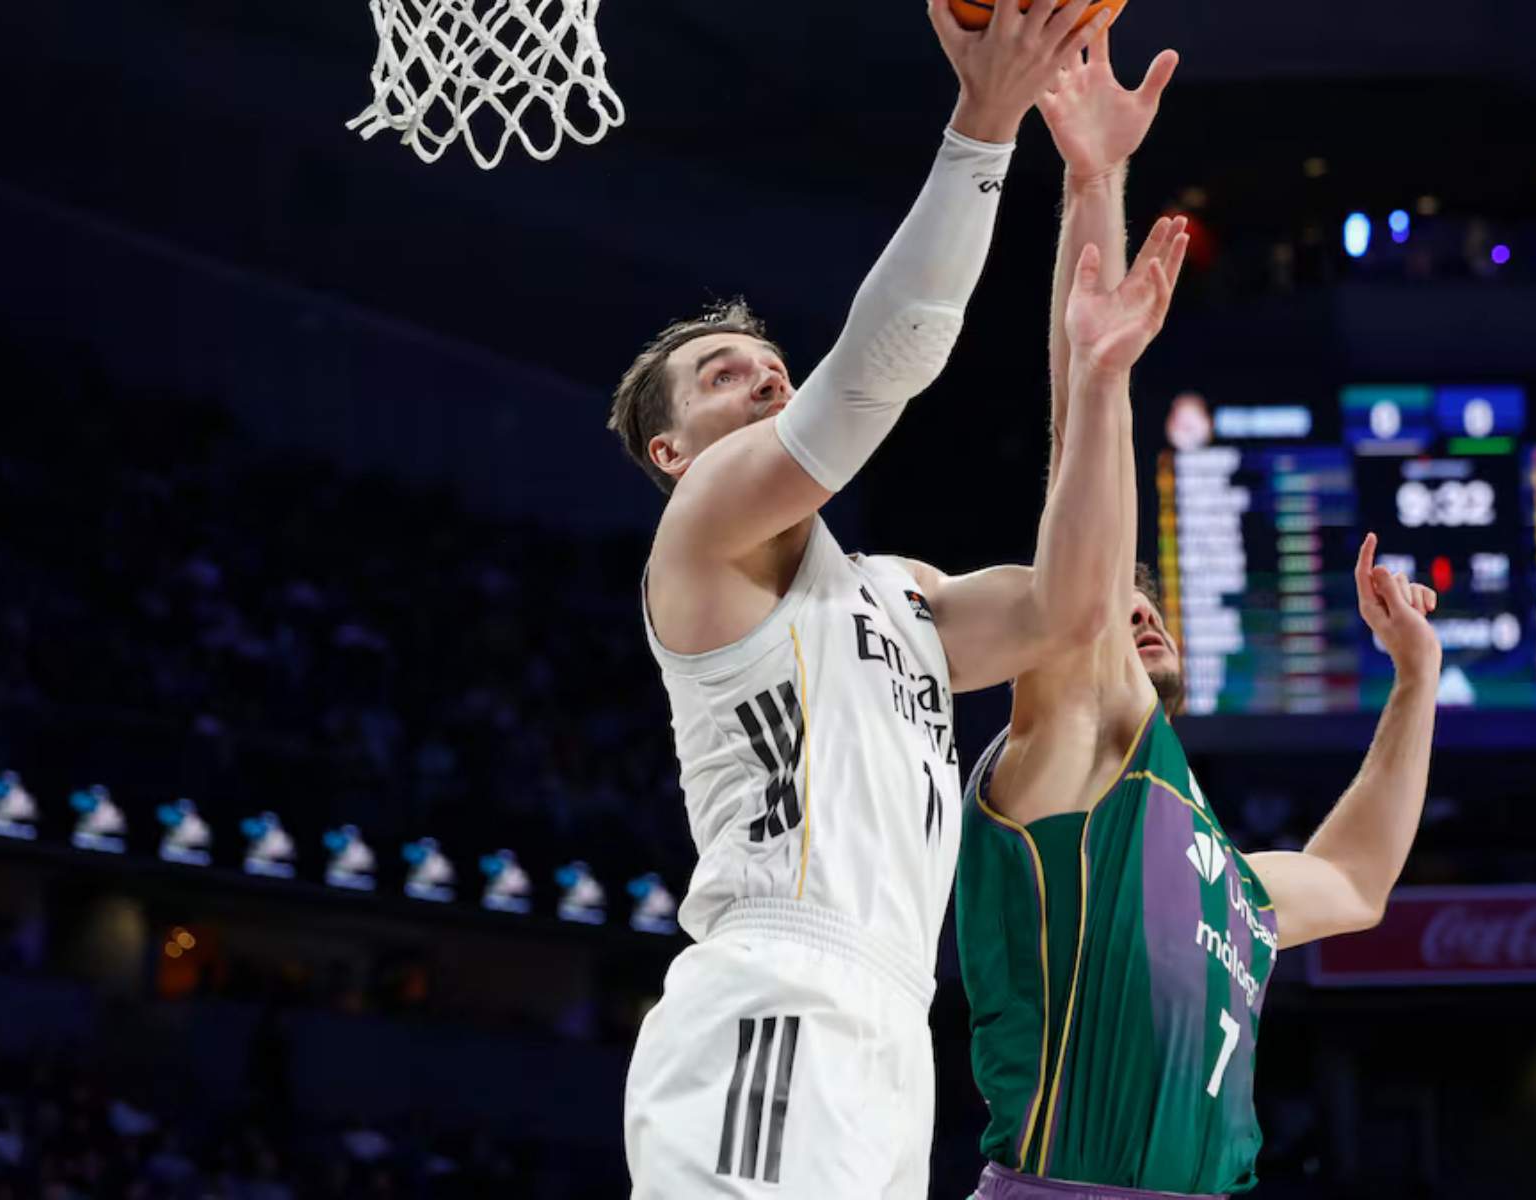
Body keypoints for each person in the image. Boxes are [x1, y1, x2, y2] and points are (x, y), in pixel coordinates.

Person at [616, 4, 1137, 1194]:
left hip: (894, 1028)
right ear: (668, 453)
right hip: (773, 993)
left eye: (766, 362)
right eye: (719, 374)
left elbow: (1076, 603)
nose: (760, 369)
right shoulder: (697, 537)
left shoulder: (902, 595)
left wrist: (1095, 197)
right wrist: (983, 122)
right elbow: (871, 376)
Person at [956, 27, 1445, 1196]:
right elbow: (1081, 499)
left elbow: (1359, 881)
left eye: (1144, 599)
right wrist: (1092, 182)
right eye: (1116, 596)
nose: (1136, 611)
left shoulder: (1222, 873)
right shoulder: (1081, 753)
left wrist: (1415, 682)